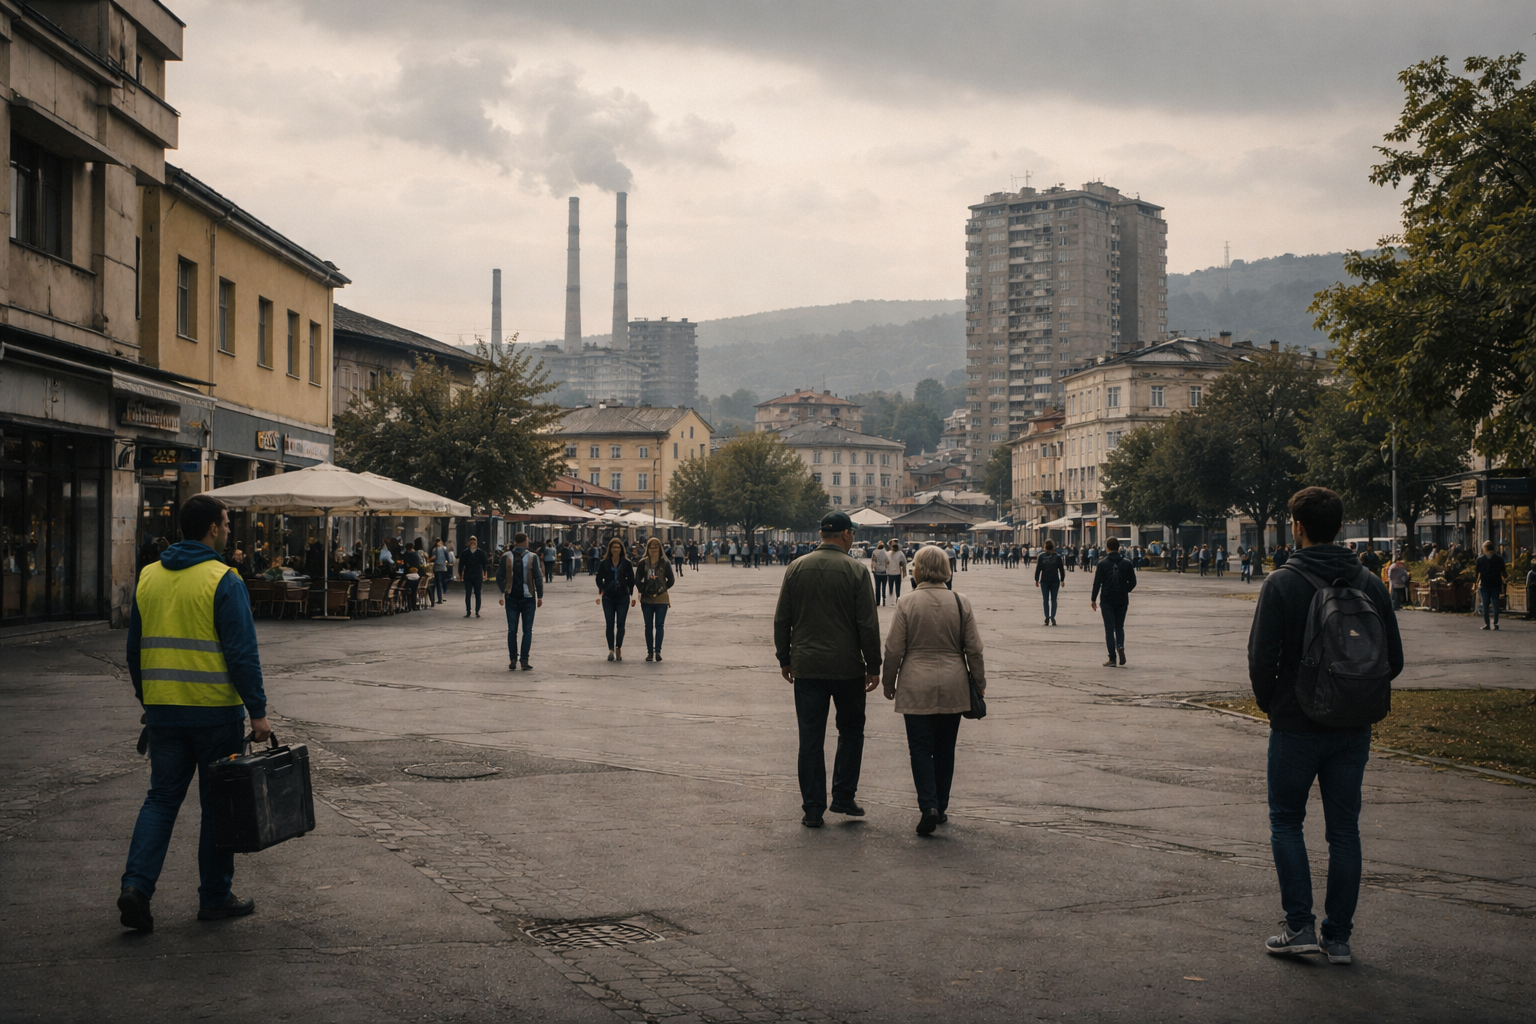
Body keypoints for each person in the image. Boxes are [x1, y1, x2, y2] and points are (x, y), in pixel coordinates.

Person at [1247, 486, 1403, 966]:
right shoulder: (1370, 583)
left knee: (1286, 821)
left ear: (1297, 527)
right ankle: (1337, 939)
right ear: (1339, 527)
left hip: (1295, 724)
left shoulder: (1282, 583)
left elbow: (1261, 657)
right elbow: (1394, 660)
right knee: (1344, 831)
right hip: (1352, 727)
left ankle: (1299, 926)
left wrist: (1274, 704)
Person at [118, 494, 269, 932]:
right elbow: (242, 654)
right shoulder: (224, 579)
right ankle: (215, 897)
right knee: (217, 806)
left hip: (164, 712)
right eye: (226, 523)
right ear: (213, 529)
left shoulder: (149, 576)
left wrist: (149, 698)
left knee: (161, 800)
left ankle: (136, 887)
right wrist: (258, 712)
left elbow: (133, 651)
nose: (229, 530)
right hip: (215, 713)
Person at [773, 511, 882, 828]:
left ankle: (812, 808)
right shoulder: (856, 570)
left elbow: (782, 619)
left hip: (807, 667)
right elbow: (867, 624)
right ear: (846, 534)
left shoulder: (796, 567)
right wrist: (873, 665)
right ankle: (844, 796)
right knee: (851, 732)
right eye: (853, 533)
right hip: (847, 668)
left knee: (810, 738)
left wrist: (784, 658)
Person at [880, 545, 986, 835]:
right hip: (953, 682)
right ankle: (942, 805)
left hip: (916, 682)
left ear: (917, 569)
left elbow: (893, 649)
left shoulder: (906, 602)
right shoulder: (960, 601)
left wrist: (889, 682)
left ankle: (928, 805)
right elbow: (974, 649)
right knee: (945, 748)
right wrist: (979, 682)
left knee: (919, 748)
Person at [496, 532, 543, 671]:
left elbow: (499, 576)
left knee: (512, 630)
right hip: (528, 597)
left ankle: (512, 659)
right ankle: (524, 659)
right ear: (525, 541)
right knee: (527, 630)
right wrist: (540, 595)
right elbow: (538, 577)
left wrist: (505, 588)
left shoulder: (506, 557)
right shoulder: (533, 557)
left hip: (511, 597)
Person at [1090, 537, 1137, 667]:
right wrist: (1125, 590)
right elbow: (1133, 582)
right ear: (1119, 548)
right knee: (1119, 626)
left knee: (1109, 629)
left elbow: (1097, 583)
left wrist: (1093, 599)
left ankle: (1112, 658)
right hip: (1122, 599)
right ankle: (1120, 645)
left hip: (1107, 599)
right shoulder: (1127, 563)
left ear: (1107, 548)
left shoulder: (1102, 564)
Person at [595, 538, 637, 661]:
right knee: (609, 623)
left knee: (621, 623)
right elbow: (598, 578)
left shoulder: (626, 563)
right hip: (608, 597)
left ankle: (618, 647)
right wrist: (602, 588)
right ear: (610, 549)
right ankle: (611, 650)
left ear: (621, 549)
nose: (616, 549)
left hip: (622, 597)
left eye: (618, 547)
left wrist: (629, 591)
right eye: (614, 547)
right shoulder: (604, 563)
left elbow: (631, 579)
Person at [636, 537, 676, 662]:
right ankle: (650, 652)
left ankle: (658, 650)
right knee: (648, 626)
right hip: (647, 599)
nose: (654, 550)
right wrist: (643, 588)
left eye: (656, 547)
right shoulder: (643, 563)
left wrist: (663, 588)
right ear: (647, 549)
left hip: (661, 599)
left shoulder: (665, 563)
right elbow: (637, 579)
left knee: (659, 624)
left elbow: (671, 580)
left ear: (660, 548)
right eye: (651, 547)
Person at [1473, 541, 1506, 630]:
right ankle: (1495, 623)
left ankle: (1487, 624)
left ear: (1485, 549)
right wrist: (1505, 578)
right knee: (1495, 604)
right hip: (1496, 584)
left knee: (1485, 605)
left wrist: (1475, 583)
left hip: (1484, 584)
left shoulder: (1480, 560)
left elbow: (1477, 573)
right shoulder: (1499, 558)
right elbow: (1503, 571)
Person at [1034, 539, 1065, 626]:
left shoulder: (1041, 556)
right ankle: (1053, 617)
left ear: (1045, 547)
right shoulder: (1057, 557)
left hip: (1044, 581)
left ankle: (1047, 617)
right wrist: (1062, 580)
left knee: (1045, 600)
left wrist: (1036, 580)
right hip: (1055, 581)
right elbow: (1061, 570)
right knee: (1054, 600)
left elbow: (1038, 569)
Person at [459, 535, 489, 617]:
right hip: (468, 575)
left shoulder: (481, 553)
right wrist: (461, 574)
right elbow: (461, 564)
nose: (473, 543)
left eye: (474, 541)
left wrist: (485, 573)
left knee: (477, 593)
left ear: (476, 543)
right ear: (469, 543)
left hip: (477, 575)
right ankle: (468, 611)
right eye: (471, 541)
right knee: (468, 593)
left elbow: (484, 564)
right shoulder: (465, 553)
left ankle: (477, 611)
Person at [871, 540, 890, 606]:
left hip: (877, 572)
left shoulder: (875, 552)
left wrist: (873, 569)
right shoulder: (885, 552)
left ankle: (878, 602)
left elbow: (873, 562)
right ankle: (884, 599)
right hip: (884, 572)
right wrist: (885, 565)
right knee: (884, 587)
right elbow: (888, 561)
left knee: (877, 587)